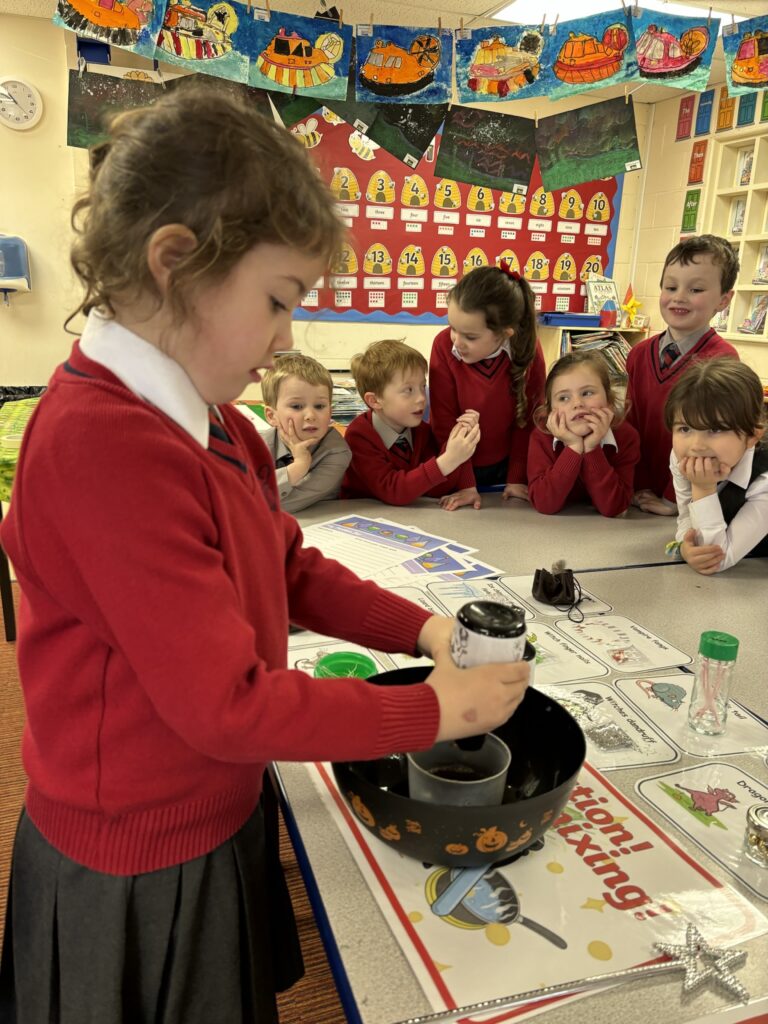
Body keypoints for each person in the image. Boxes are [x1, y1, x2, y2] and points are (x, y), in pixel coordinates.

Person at [0, 85, 530, 1024]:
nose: (288, 338)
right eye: (278, 301)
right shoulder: (101, 444)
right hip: (136, 854)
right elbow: (225, 704)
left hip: (212, 808)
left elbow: (289, 567)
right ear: (175, 265)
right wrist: (427, 708)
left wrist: (423, 626)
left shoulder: (218, 423)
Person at [625, 234, 739, 516]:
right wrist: (630, 484)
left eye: (696, 289)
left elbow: (710, 443)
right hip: (636, 494)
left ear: (724, 300)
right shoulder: (638, 354)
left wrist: (675, 500)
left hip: (685, 501)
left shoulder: (722, 360)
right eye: (671, 286)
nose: (679, 297)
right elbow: (630, 425)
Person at [428, 263, 546, 503]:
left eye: (470, 337)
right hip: (457, 464)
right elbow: (444, 424)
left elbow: (529, 422)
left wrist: (517, 477)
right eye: (453, 328)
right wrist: (466, 484)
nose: (457, 342)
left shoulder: (527, 350)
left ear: (505, 333)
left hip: (508, 468)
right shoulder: (443, 346)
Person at [340, 338, 481, 509]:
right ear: (375, 400)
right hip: (361, 520)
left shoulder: (420, 431)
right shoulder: (359, 435)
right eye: (408, 390)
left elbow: (434, 488)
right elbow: (394, 491)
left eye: (423, 386)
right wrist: (449, 459)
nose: (422, 398)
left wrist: (459, 439)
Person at [666, 358, 767, 573]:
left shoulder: (765, 479)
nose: (696, 445)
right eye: (685, 429)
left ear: (752, 436)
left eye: (715, 429)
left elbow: (716, 559)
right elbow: (686, 518)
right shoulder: (681, 457)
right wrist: (684, 546)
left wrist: (703, 488)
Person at [527, 350, 640, 517]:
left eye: (587, 393)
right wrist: (573, 448)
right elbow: (544, 504)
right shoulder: (541, 436)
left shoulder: (626, 436)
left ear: (609, 401)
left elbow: (615, 508)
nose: (577, 404)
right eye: (564, 398)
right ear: (550, 410)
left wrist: (591, 448)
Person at [260, 352, 351, 514]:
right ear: (271, 416)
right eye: (297, 406)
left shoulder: (336, 452)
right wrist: (298, 467)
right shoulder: (256, 444)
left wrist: (299, 465)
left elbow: (277, 504)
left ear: (331, 410)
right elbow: (236, 497)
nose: (310, 416)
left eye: (319, 406)